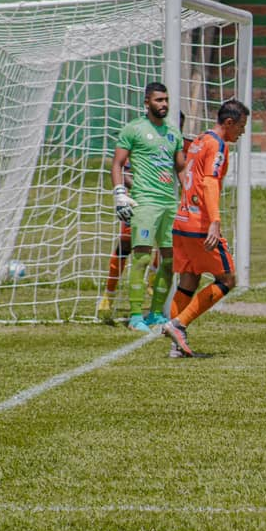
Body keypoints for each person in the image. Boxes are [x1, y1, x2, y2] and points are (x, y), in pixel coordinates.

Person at [161, 100, 250, 358]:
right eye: (241, 127)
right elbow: (210, 182)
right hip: (200, 223)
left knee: (189, 278)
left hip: (182, 219)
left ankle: (176, 346)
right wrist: (215, 221)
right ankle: (178, 324)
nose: (242, 133)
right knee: (227, 279)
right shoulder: (217, 145)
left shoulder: (200, 140)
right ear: (229, 123)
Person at [110, 82, 186, 333]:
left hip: (168, 204)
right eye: (158, 100)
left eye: (166, 100)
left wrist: (190, 196)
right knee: (142, 257)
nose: (163, 104)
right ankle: (134, 316)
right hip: (145, 202)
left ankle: (154, 313)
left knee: (169, 261)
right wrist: (120, 194)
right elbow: (117, 164)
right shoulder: (134, 129)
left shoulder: (174, 132)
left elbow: (181, 168)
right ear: (147, 103)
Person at [98, 161, 134, 317]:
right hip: (136, 197)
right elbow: (123, 171)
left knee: (166, 244)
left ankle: (153, 282)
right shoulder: (134, 140)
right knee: (125, 244)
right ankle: (109, 294)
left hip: (161, 197)